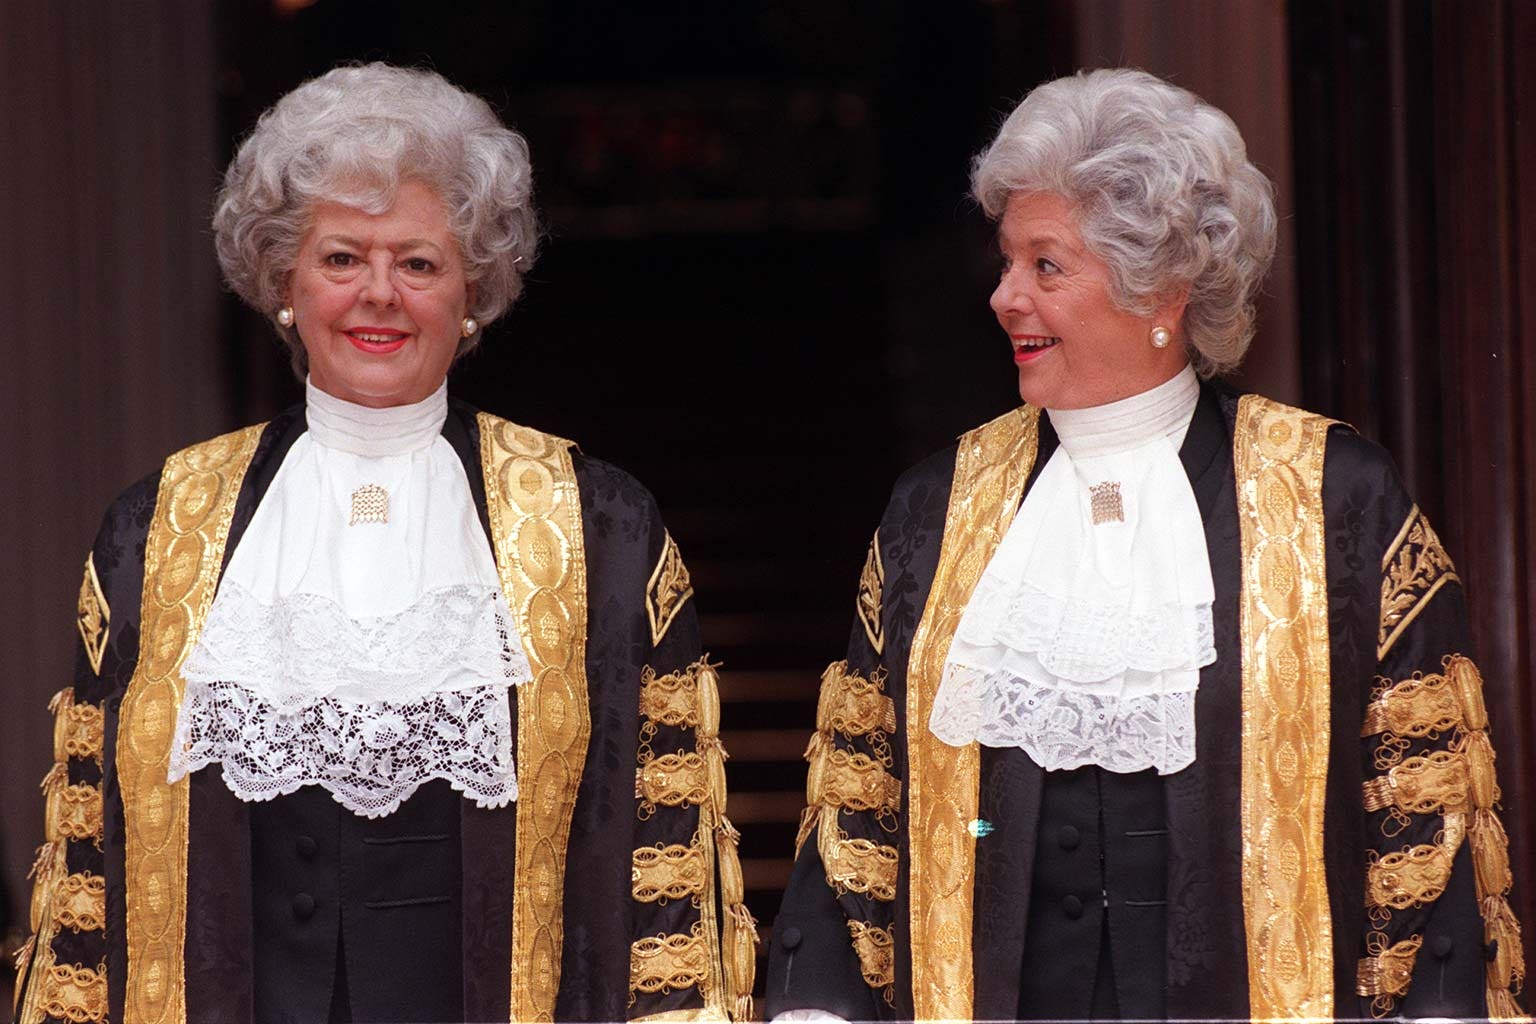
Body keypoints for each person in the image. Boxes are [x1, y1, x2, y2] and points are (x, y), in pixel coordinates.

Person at [765, 68, 1525, 1021]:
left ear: (1160, 288)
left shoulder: (1337, 500)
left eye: (1046, 266)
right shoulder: (934, 511)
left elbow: (1427, 821)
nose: (1004, 297)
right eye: (1006, 262)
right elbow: (854, 814)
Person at [13, 63, 754, 1024]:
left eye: (418, 262)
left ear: (473, 291)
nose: (379, 297)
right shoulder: (157, 526)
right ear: (283, 279)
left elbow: (661, 848)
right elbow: (90, 865)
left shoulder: (595, 526)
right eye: (341, 259)